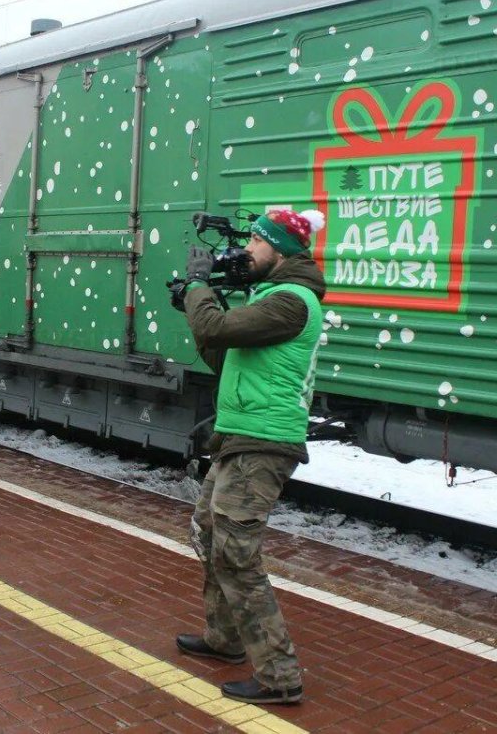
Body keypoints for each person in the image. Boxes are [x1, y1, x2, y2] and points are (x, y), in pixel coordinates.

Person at [174, 208, 327, 706]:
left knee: (237, 555)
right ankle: (225, 638)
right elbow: (221, 352)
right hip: (238, 435)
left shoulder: (292, 300)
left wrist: (199, 289)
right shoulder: (270, 299)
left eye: (256, 244)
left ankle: (280, 676)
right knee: (208, 528)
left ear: (279, 250)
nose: (245, 253)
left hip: (263, 441)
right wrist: (200, 306)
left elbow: (216, 331)